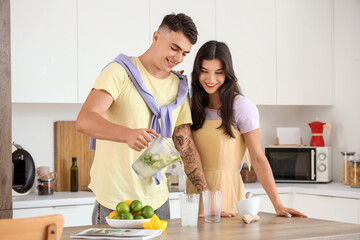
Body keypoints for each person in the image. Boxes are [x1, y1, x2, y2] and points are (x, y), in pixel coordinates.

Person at [76, 13, 208, 224]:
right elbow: (85, 120)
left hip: (158, 203)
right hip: (115, 201)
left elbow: (185, 145)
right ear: (156, 37)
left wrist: (207, 196)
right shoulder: (119, 72)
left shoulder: (179, 87)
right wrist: (126, 134)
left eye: (184, 53)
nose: (178, 58)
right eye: (174, 48)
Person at [186, 40, 307, 218]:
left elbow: (258, 158)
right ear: (197, 72)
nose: (211, 79)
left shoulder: (241, 107)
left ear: (228, 74)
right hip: (194, 195)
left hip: (226, 193)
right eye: (204, 71)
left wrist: (278, 205)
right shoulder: (191, 105)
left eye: (218, 73)